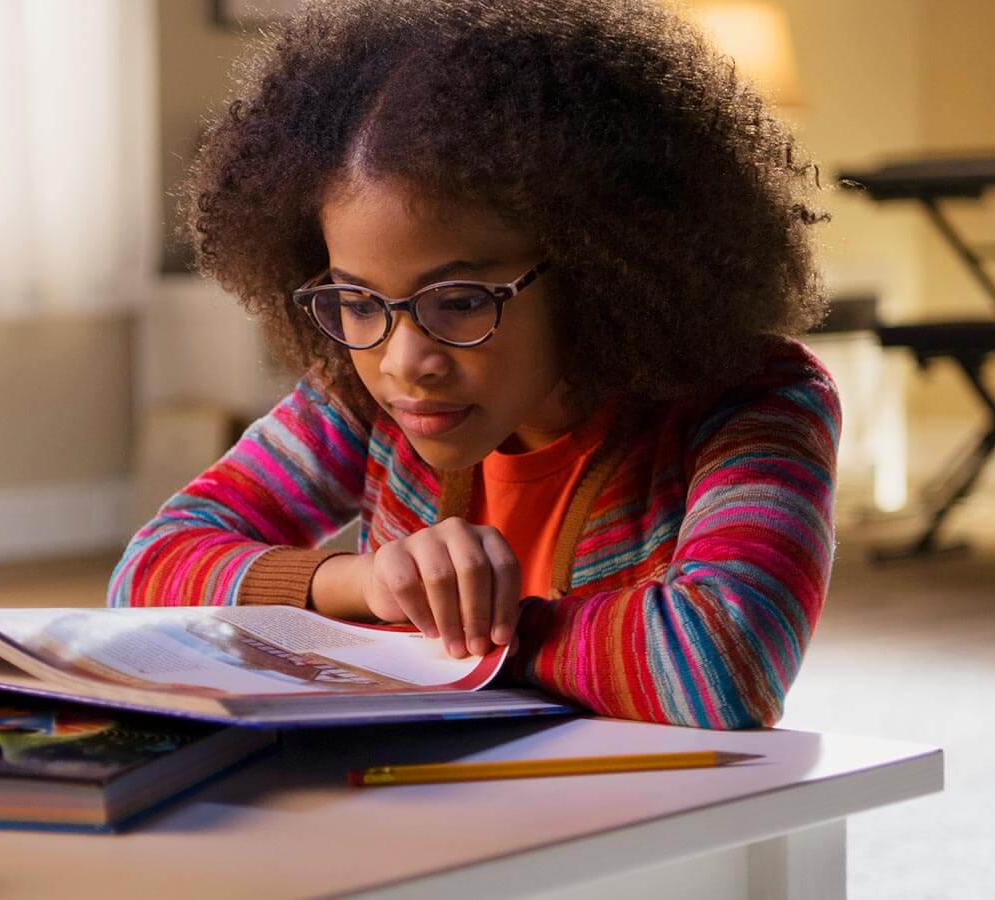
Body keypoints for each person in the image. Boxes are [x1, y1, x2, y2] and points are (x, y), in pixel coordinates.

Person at [108, 0, 840, 730]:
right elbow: (143, 578)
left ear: (598, 267)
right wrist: (365, 585)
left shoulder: (758, 403)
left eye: (458, 300)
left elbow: (720, 667)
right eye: (357, 302)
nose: (403, 361)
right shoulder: (360, 399)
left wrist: (455, 633)